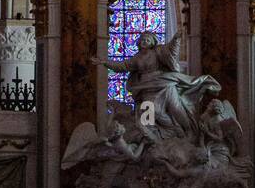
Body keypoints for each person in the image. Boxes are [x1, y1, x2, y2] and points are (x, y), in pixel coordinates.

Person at [92, 31, 220, 141]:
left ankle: (190, 133)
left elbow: (172, 51)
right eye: (142, 39)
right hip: (147, 88)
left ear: (152, 42)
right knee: (149, 114)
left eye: (147, 39)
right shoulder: (136, 58)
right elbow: (122, 66)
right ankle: (153, 138)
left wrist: (176, 39)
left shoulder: (158, 51)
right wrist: (104, 62)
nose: (144, 41)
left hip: (165, 84)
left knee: (177, 109)